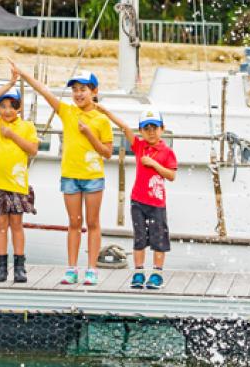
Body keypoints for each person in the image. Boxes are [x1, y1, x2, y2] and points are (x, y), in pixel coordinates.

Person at [10, 60, 113, 286]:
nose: (78, 93)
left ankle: (92, 269)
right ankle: (72, 268)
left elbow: (107, 152)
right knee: (74, 222)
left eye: (83, 89)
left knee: (93, 222)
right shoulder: (67, 111)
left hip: (93, 177)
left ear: (94, 91)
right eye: (75, 89)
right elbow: (43, 91)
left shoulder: (102, 120)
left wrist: (89, 134)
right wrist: (23, 73)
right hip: (70, 176)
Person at [95, 106, 177, 290]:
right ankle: (138, 272)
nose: (151, 132)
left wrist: (154, 164)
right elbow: (124, 128)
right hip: (138, 201)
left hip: (157, 203)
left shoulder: (167, 152)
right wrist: (106, 112)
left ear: (162, 129)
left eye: (154, 128)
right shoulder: (140, 146)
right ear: (141, 131)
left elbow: (171, 176)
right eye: (146, 128)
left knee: (159, 239)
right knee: (139, 238)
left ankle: (157, 273)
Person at [0, 72, 39, 283]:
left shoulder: (26, 126)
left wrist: (13, 135)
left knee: (16, 224)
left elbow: (33, 149)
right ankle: (1, 266)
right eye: (3, 106)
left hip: (17, 183)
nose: (7, 110)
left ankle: (19, 266)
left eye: (11, 105)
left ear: (19, 108)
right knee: (0, 225)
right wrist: (9, 83)